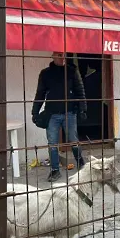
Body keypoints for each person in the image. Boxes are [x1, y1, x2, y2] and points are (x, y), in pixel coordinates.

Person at [32, 52, 87, 182]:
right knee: (52, 143)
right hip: (52, 114)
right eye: (58, 54)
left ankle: (81, 165)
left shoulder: (72, 71)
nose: (62, 57)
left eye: (63, 54)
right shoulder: (45, 73)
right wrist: (34, 112)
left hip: (70, 113)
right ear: (53, 56)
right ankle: (55, 170)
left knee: (73, 140)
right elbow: (40, 94)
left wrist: (83, 109)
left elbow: (80, 91)